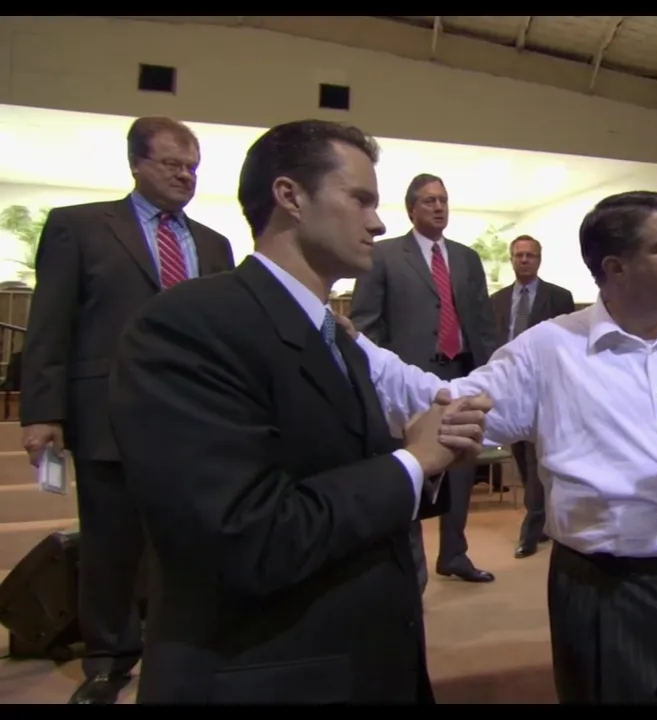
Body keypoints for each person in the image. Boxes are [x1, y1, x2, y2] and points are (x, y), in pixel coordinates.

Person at [107, 119, 491, 704]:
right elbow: (247, 535)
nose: (378, 222)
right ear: (290, 196)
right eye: (360, 199)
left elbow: (339, 473)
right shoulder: (188, 325)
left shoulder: (337, 338)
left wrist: (427, 456)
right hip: (269, 675)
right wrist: (413, 462)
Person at [345, 191, 657, 704]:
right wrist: (353, 349)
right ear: (615, 268)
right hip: (608, 594)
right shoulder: (549, 350)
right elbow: (443, 404)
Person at [19, 116, 235, 704]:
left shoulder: (214, 244)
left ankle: (187, 645)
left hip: (194, 416)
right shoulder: (81, 227)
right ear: (136, 164)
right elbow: (50, 322)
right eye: (172, 164)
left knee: (189, 538)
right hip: (107, 411)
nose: (185, 176)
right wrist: (42, 411)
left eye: (192, 167)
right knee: (111, 542)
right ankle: (109, 658)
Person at [350, 173, 500, 586]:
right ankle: (410, 567)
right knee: (411, 468)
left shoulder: (467, 258)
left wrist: (489, 374)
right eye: (430, 200)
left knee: (460, 468)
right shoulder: (384, 255)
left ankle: (454, 554)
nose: (439, 207)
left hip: (460, 375)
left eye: (443, 200)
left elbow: (483, 324)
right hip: (405, 382)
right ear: (411, 209)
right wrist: (376, 384)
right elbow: (365, 325)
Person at [489, 234, 576, 558]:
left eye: (530, 255)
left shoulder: (559, 297)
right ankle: (539, 517)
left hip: (545, 385)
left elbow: (568, 344)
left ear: (539, 260)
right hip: (509, 386)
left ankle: (530, 527)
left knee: (535, 454)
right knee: (520, 452)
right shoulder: (496, 301)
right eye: (519, 255)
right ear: (511, 259)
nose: (524, 260)